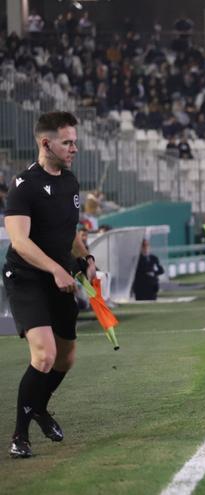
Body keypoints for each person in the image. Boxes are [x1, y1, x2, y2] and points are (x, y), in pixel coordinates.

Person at [4, 111, 96, 458]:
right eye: (68, 142)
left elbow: (69, 233)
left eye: (75, 141)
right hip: (26, 277)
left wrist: (85, 260)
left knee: (65, 359)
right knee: (44, 355)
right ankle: (19, 436)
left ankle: (39, 407)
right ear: (46, 143)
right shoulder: (23, 186)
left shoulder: (70, 182)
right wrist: (57, 271)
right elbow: (20, 242)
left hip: (60, 279)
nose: (75, 147)